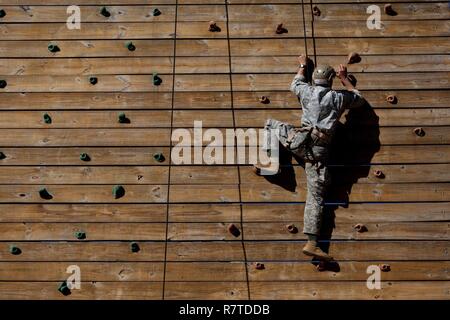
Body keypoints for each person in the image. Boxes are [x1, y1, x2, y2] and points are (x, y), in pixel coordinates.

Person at [254, 55, 366, 260]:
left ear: (315, 79)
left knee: (271, 124)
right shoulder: (338, 97)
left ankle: (270, 162)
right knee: (315, 198)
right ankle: (312, 242)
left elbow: (295, 83)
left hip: (298, 142)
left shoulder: (306, 91)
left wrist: (302, 65)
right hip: (318, 153)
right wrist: (345, 79)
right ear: (331, 80)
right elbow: (358, 98)